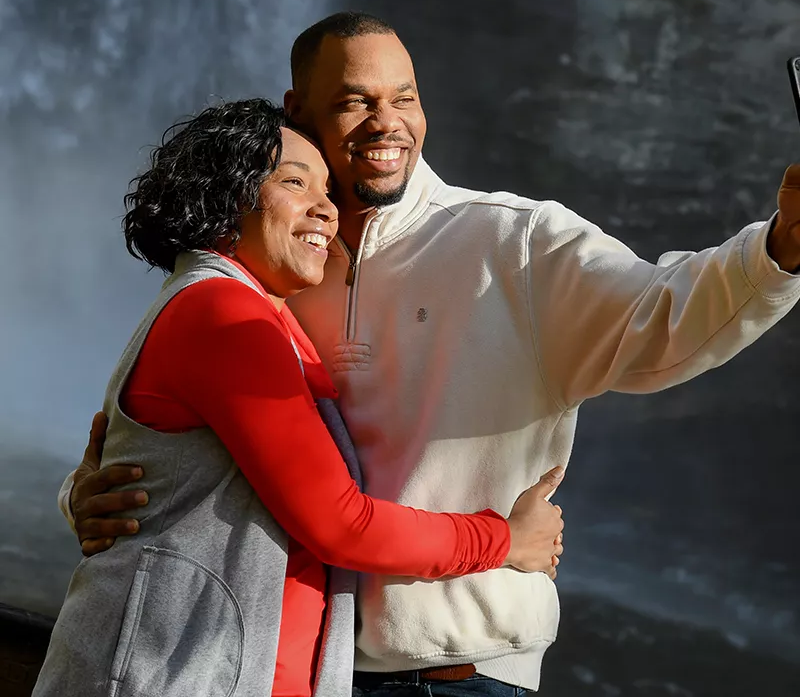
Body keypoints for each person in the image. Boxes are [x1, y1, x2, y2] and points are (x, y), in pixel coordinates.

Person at [61, 13, 800, 696]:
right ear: (297, 111)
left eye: (404, 98)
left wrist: (776, 252)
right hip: (317, 669)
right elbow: (173, 429)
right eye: (354, 101)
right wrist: (89, 498)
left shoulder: (517, 241)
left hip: (464, 675)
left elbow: (663, 314)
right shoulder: (279, 273)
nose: (387, 122)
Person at [34, 98, 566, 697]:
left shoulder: (266, 318)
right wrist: (506, 540)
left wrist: (77, 492)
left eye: (330, 192)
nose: (326, 209)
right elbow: (339, 522)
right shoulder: (224, 312)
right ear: (225, 194)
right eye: (293, 182)